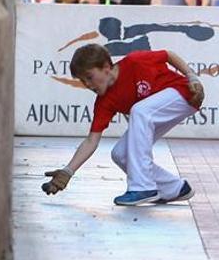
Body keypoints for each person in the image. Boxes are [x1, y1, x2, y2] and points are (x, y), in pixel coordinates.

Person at [41, 44, 205, 206]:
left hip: (184, 94)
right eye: (83, 81)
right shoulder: (104, 101)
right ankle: (175, 188)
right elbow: (91, 141)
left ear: (106, 67)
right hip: (157, 112)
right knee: (120, 154)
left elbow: (168, 54)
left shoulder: (135, 61)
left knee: (140, 112)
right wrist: (68, 171)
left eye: (89, 77)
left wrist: (192, 78)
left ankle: (143, 187)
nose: (88, 85)